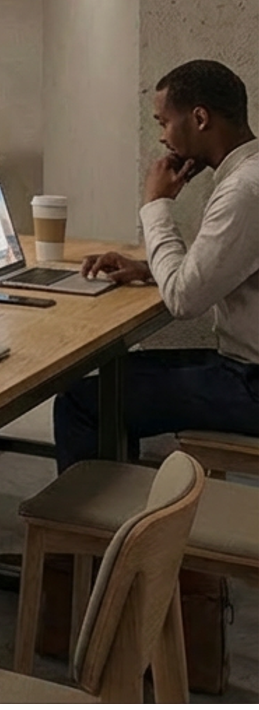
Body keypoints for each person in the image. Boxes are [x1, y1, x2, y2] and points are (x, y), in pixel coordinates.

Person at [61, 59, 259, 470]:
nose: (163, 138)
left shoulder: (244, 191)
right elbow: (224, 269)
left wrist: (156, 205)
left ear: (200, 118)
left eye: (164, 122)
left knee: (82, 399)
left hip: (250, 382)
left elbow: (184, 300)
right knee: (113, 376)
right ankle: (125, 513)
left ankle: (96, 531)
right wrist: (148, 268)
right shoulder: (248, 176)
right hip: (243, 368)